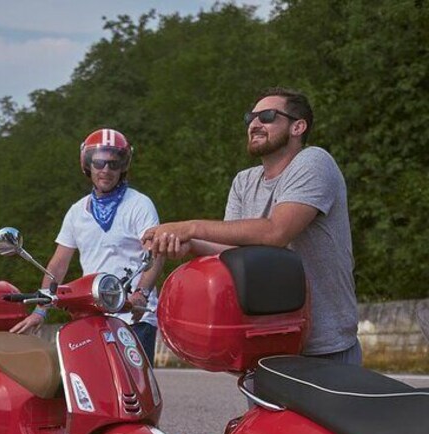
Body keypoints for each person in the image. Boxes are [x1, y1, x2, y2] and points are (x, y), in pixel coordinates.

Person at [142, 87, 361, 365]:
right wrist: (188, 244)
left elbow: (276, 232)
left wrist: (191, 227)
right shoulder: (244, 181)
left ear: (298, 127)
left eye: (267, 116)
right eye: (251, 118)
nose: (255, 124)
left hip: (324, 348)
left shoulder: (314, 161)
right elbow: (232, 250)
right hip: (263, 344)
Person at [10, 128, 164, 365]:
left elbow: (154, 253)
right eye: (99, 163)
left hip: (134, 315)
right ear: (87, 165)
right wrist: (41, 310)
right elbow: (58, 265)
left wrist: (141, 294)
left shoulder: (139, 204)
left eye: (114, 164)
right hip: (92, 314)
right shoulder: (76, 212)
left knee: (135, 390)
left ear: (123, 166)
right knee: (91, 388)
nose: (106, 170)